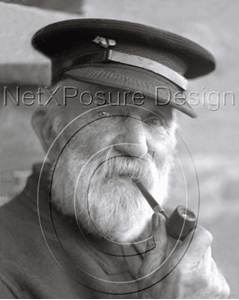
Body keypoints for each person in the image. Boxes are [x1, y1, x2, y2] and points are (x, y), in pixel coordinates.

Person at [0, 19, 230, 299]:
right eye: (107, 113)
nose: (136, 147)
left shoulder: (174, 248)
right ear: (51, 132)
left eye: (155, 120)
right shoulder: (8, 268)